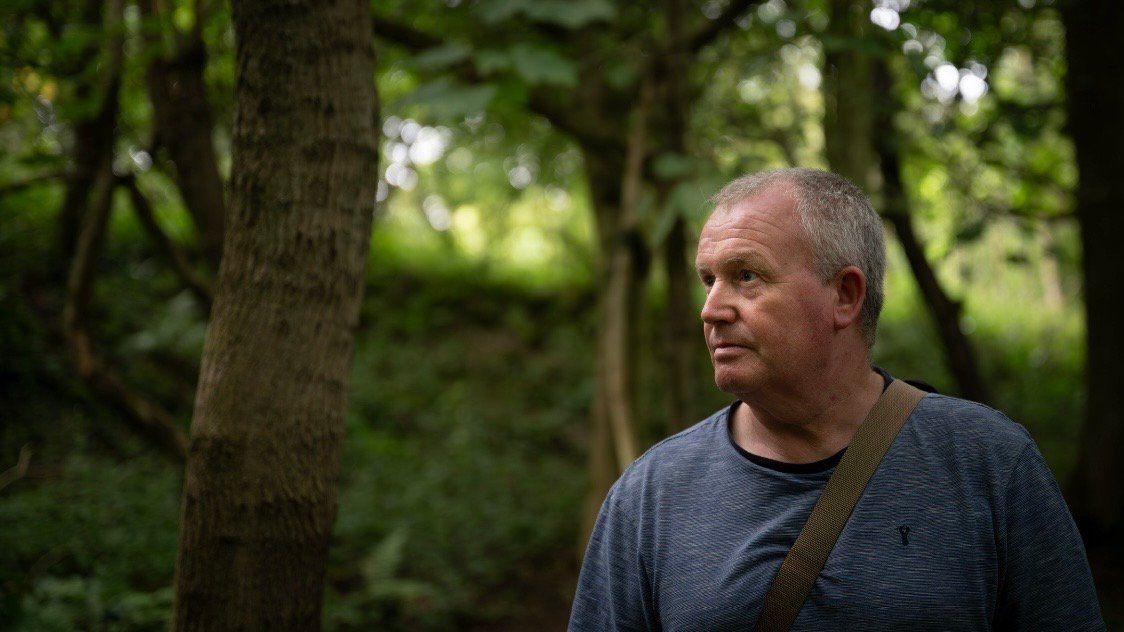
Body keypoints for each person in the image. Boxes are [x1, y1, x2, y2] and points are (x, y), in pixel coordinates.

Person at [569, 168, 1105, 631]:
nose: (710, 309)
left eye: (746, 276)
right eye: (708, 280)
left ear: (845, 295)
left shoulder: (988, 462)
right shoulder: (650, 494)